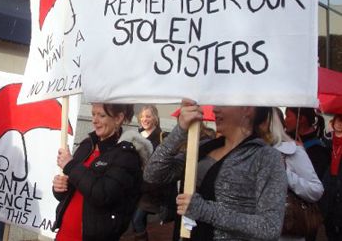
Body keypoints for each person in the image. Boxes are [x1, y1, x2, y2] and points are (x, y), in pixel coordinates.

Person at [144, 101, 288, 240]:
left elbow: (270, 228)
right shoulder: (203, 147)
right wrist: (180, 130)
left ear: (247, 108)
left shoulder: (266, 157)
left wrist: (204, 210)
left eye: (223, 103)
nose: (214, 109)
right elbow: (152, 174)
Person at [52, 103, 152, 241]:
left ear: (118, 118)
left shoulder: (126, 155)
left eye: (101, 115)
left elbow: (105, 195)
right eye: (93, 114)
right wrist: (60, 187)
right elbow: (71, 191)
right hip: (64, 234)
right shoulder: (88, 144)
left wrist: (71, 166)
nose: (94, 120)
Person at [261, 108, 324, 241]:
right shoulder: (249, 152)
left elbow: (316, 190)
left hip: (287, 233)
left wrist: (286, 174)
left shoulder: (292, 150)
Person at [132, 105, 177, 241]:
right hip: (137, 187)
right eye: (142, 116)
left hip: (153, 188)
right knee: (139, 221)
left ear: (155, 119)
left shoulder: (163, 137)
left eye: (148, 116)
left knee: (137, 219)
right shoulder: (136, 137)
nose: (144, 119)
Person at [285, 108, 330, 180]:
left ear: (302, 119)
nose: (285, 120)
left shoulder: (318, 151)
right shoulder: (288, 141)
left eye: (288, 116)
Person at [321, 113, 342, 241]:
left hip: (340, 183)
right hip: (328, 182)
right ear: (333, 123)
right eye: (338, 120)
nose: (340, 123)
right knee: (327, 214)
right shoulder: (326, 141)